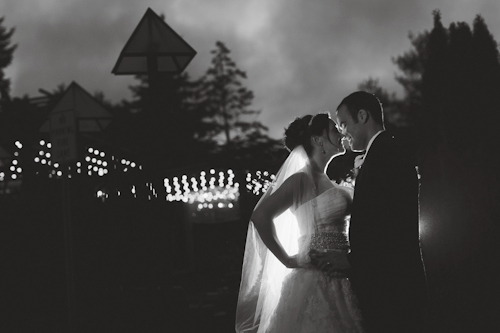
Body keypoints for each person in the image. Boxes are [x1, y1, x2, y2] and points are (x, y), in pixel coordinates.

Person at [235, 113, 364, 332]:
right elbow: (260, 216)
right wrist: (286, 259)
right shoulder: (302, 180)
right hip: (315, 278)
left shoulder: (329, 182)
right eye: (334, 129)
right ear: (318, 140)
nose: (341, 133)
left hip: (344, 274)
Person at [316, 91, 428, 332]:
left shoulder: (387, 154)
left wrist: (349, 260)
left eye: (344, 123)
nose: (342, 132)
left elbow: (390, 227)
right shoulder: (382, 151)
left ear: (363, 116)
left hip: (393, 287)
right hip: (388, 281)